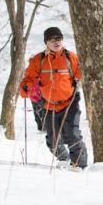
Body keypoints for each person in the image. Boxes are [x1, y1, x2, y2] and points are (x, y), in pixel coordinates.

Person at [19, 27, 88, 169]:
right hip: (49, 105)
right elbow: (30, 78)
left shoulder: (71, 57)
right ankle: (64, 159)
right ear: (46, 42)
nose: (56, 42)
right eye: (52, 39)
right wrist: (25, 87)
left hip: (70, 103)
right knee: (52, 140)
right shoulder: (39, 60)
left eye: (59, 38)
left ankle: (79, 165)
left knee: (72, 135)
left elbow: (83, 75)